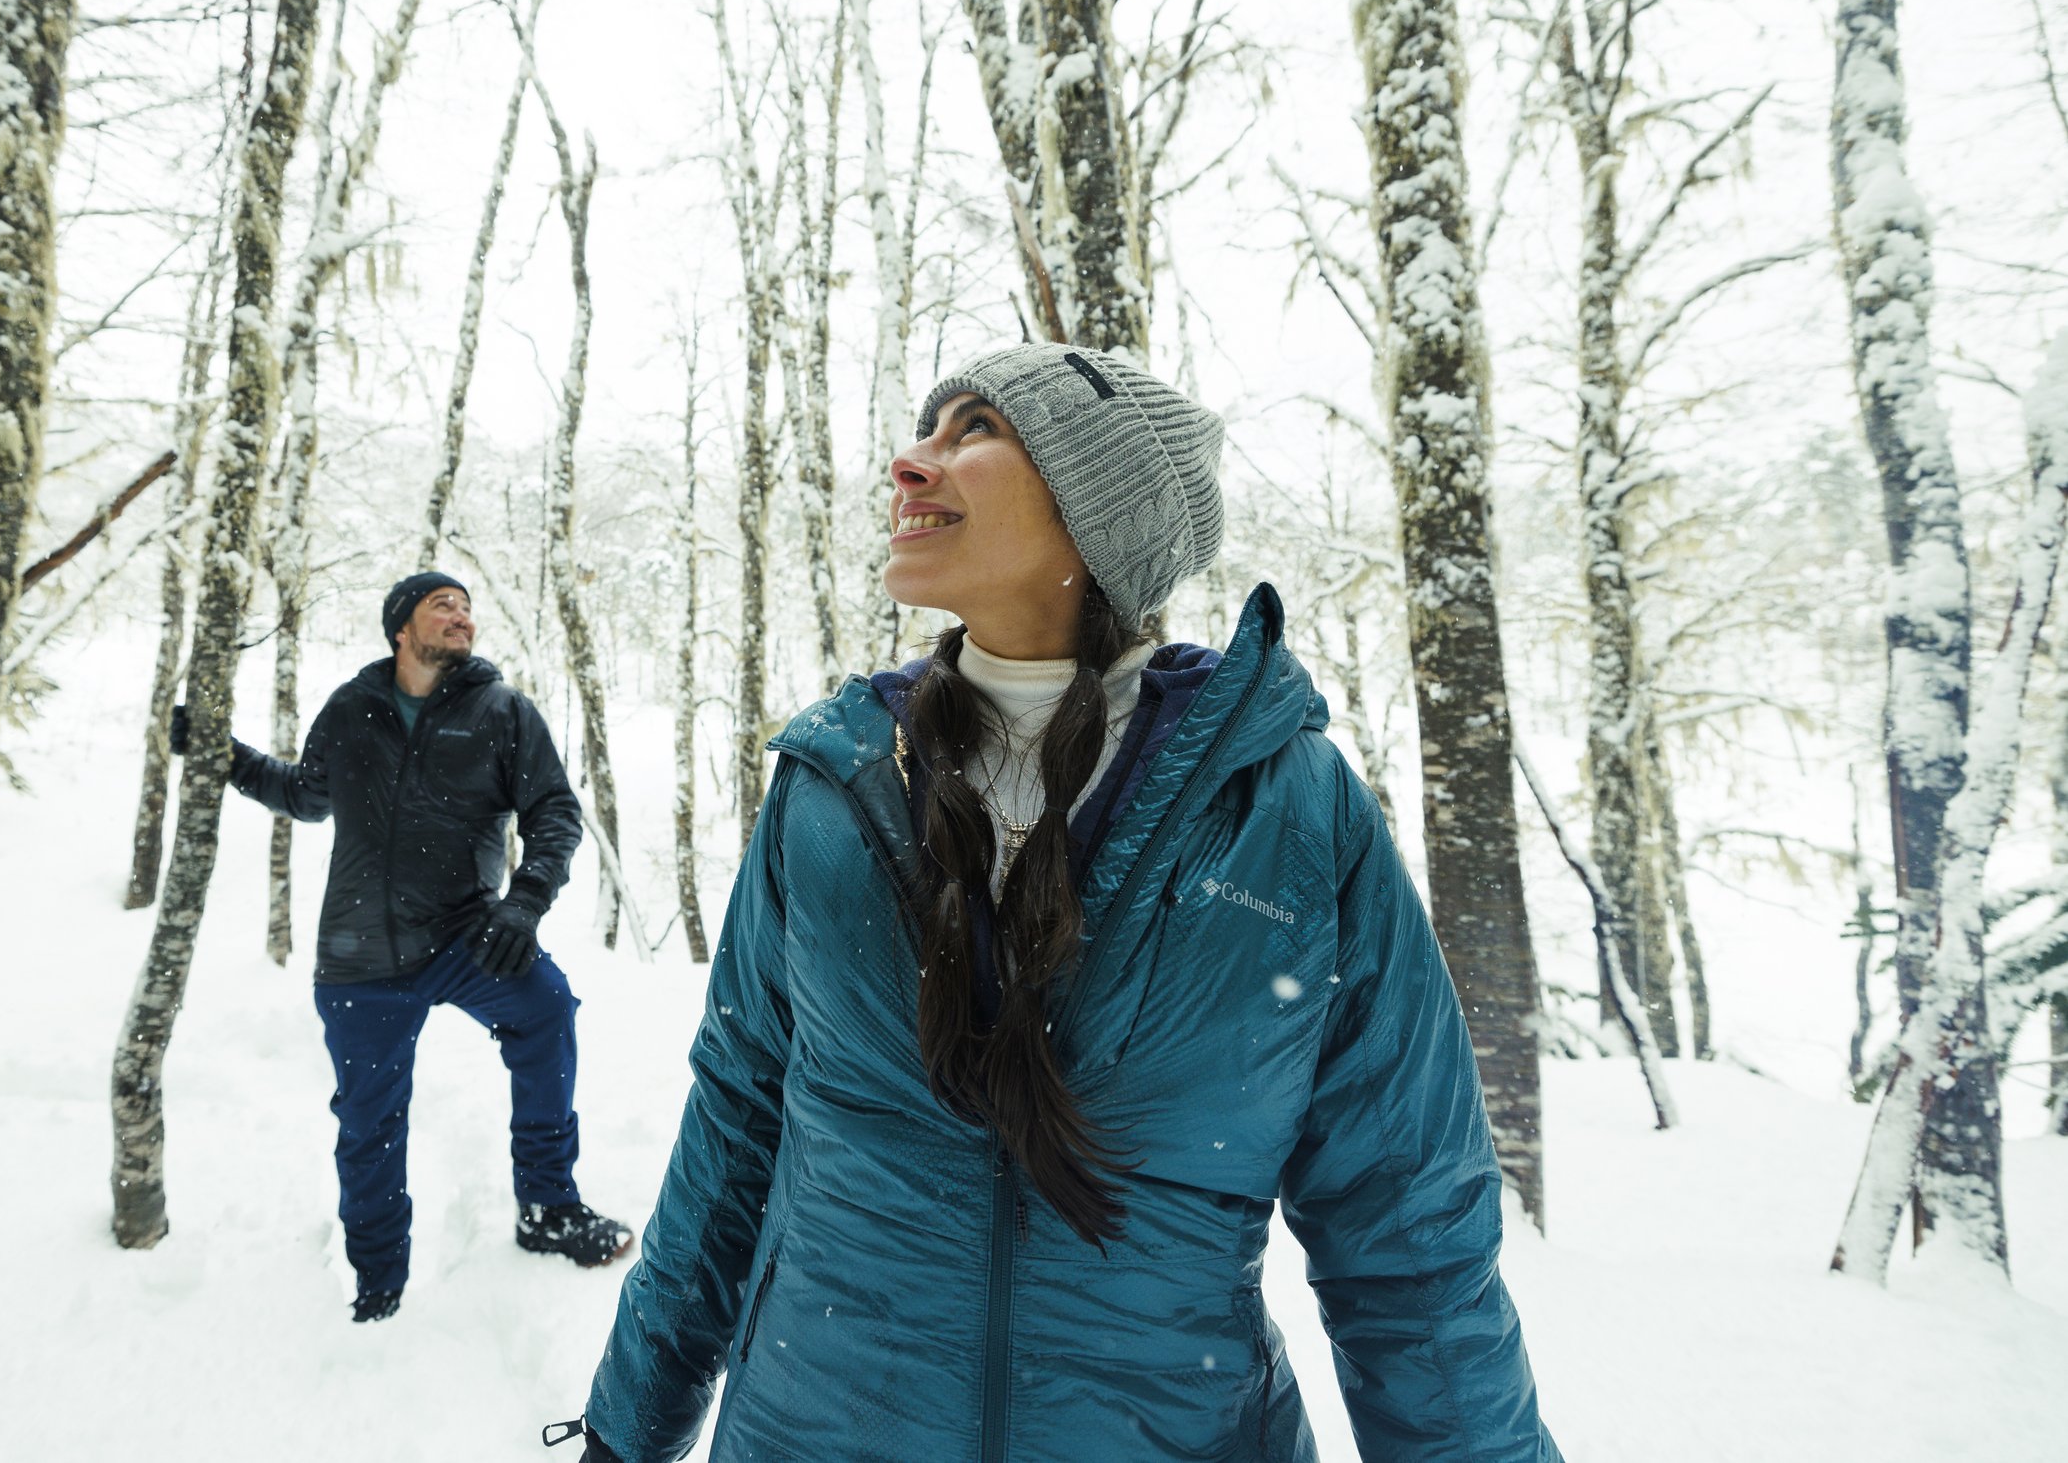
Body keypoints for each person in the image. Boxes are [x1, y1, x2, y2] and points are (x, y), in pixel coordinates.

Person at [550, 346, 1558, 1460]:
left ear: (1099, 511)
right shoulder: (833, 786)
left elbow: (1405, 1234)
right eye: (923, 431)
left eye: (973, 429)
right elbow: (736, 1129)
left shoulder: (1289, 814)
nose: (909, 464)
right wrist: (624, 1430)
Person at [178, 572, 632, 1324]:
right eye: (441, 605)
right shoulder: (353, 709)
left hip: (466, 934)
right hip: (359, 957)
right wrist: (221, 755)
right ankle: (378, 1280)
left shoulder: (503, 712)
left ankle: (548, 1208)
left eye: (466, 607)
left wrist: (524, 905)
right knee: (369, 1123)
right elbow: (305, 795)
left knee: (546, 1010)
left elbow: (554, 811)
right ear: (401, 629)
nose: (461, 617)